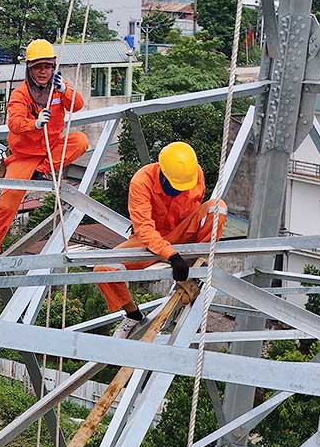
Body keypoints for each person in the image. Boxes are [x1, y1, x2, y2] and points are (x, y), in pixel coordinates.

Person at [94, 142, 227, 338]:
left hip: (182, 234)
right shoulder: (142, 181)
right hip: (151, 239)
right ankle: (132, 314)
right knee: (104, 269)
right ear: (162, 173)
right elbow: (145, 229)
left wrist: (185, 256)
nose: (179, 190)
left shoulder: (193, 173)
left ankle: (199, 263)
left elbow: (198, 208)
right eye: (174, 187)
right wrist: (171, 255)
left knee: (218, 207)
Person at [0, 39, 90, 257]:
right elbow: (13, 123)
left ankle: (42, 171)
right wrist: (34, 123)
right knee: (8, 201)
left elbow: (77, 105)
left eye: (47, 67)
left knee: (80, 141)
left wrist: (65, 89)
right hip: (23, 157)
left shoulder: (59, 90)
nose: (43, 72)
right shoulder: (21, 94)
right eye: (38, 67)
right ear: (30, 69)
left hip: (51, 150)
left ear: (53, 67)